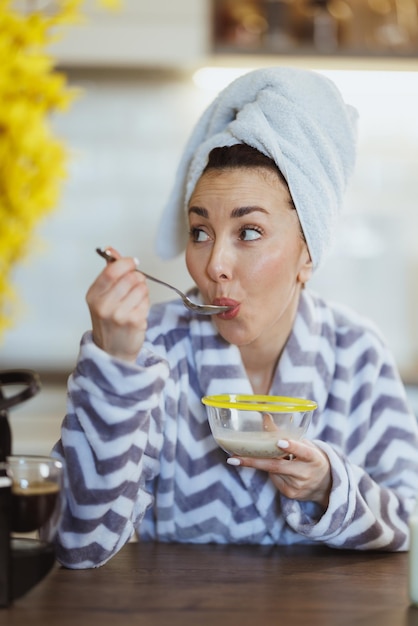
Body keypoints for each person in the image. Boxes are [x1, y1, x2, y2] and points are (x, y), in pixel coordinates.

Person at [50, 67, 418, 569]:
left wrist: (328, 484)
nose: (214, 265)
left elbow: (410, 522)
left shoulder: (358, 355)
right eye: (200, 232)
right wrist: (114, 368)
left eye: (248, 233)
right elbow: (77, 542)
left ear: (308, 252)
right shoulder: (151, 348)